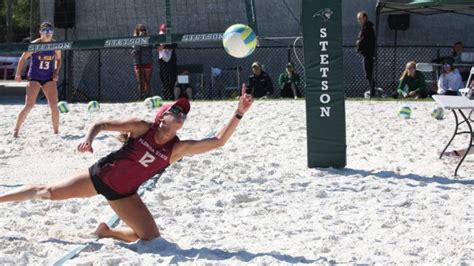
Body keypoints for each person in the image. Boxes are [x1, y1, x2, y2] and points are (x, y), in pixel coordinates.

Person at [0, 86, 253, 243]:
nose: (180, 116)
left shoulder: (177, 149)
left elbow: (218, 141)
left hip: (124, 194)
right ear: (161, 117)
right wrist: (88, 139)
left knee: (150, 237)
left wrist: (239, 112)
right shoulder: (142, 127)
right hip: (100, 177)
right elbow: (100, 124)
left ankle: (106, 232)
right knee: (47, 193)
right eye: (175, 111)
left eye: (183, 115)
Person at [13, 22, 62, 138]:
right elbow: (22, 58)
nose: (48, 33)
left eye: (50, 31)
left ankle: (56, 131)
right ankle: (16, 130)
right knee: (29, 105)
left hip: (48, 78)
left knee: (54, 105)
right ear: (40, 32)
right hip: (34, 77)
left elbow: (59, 60)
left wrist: (56, 72)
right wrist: (18, 74)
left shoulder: (55, 45)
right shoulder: (34, 45)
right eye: (45, 31)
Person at [356, 11, 376, 97]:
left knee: (368, 74)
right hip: (368, 53)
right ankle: (372, 91)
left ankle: (372, 92)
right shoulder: (366, 27)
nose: (359, 20)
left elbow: (363, 40)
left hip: (368, 54)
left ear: (365, 18)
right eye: (358, 19)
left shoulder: (367, 27)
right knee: (368, 73)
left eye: (360, 18)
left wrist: (358, 43)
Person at [131, 24, 153, 100]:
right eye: (141, 30)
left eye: (144, 29)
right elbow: (136, 48)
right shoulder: (134, 38)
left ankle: (147, 97)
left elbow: (148, 46)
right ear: (137, 30)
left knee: (147, 81)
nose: (142, 31)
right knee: (141, 81)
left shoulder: (149, 37)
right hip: (138, 61)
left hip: (147, 60)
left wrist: (143, 40)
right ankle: (141, 97)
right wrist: (140, 38)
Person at [158, 23, 177, 100]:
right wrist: (164, 46)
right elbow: (158, 46)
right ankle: (166, 96)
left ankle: (172, 96)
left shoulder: (172, 37)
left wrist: (164, 46)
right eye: (163, 31)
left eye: (166, 31)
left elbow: (174, 45)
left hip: (171, 59)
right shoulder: (159, 36)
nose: (164, 32)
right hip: (162, 60)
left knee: (172, 78)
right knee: (164, 79)